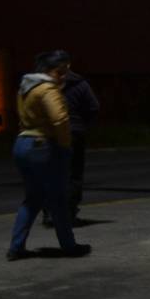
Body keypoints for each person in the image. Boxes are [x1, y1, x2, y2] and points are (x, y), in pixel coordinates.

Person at [7, 51, 92, 261]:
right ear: (46, 71)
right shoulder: (48, 89)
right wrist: (65, 146)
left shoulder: (25, 88)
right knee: (59, 199)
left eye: (65, 73)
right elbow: (60, 119)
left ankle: (16, 247)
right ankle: (69, 246)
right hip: (44, 146)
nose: (63, 77)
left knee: (32, 199)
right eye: (59, 72)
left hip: (22, 143)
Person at [42, 51, 99, 226]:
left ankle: (49, 213)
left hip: (50, 134)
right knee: (73, 175)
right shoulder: (80, 84)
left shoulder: (43, 84)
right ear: (68, 65)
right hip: (74, 133)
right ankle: (68, 213)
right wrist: (82, 125)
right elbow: (93, 107)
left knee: (51, 174)